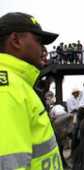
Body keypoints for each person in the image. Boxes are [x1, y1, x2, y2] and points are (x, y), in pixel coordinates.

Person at [0, 12, 63, 169]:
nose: (44, 49)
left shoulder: (18, 84)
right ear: (15, 40)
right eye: (39, 41)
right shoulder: (8, 90)